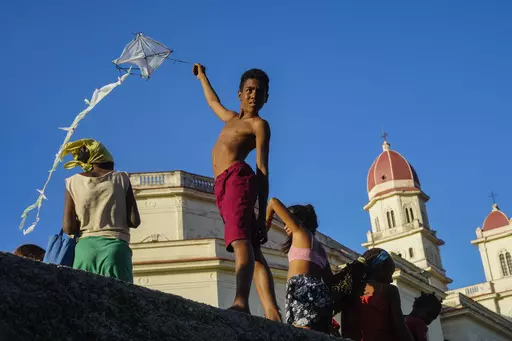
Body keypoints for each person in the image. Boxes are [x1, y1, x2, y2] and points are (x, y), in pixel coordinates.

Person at [193, 63, 280, 321]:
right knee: (252, 244)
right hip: (223, 185)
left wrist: (263, 211)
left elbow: (262, 168)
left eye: (260, 92)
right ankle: (272, 313)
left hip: (237, 180)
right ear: (240, 94)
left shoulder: (258, 125)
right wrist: (202, 76)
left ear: (266, 98)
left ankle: (241, 301)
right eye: (250, 90)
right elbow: (212, 102)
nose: (254, 95)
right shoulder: (231, 118)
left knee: (240, 239)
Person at [61, 139, 140, 283]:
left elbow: (68, 228)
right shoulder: (121, 178)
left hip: (85, 250)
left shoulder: (71, 182)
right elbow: (135, 221)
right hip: (115, 247)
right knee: (121, 299)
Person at [266, 198, 333, 332]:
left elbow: (273, 202)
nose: (285, 226)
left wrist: (266, 222)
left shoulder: (300, 233)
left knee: (301, 331)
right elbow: (330, 280)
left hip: (302, 288)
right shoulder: (321, 249)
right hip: (321, 293)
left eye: (287, 221)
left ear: (297, 221)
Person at [342, 248, 414, 341]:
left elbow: (345, 329)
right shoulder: (389, 290)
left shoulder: (348, 290)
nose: (391, 280)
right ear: (381, 267)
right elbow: (400, 326)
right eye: (390, 273)